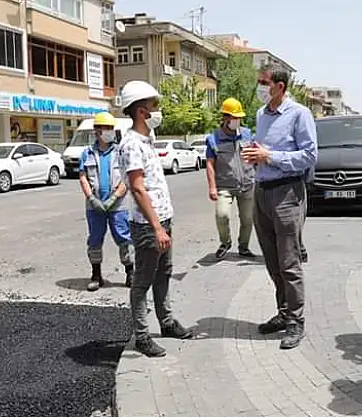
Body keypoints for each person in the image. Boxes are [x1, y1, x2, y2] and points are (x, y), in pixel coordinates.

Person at [241, 63, 317, 350]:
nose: (260, 87)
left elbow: (309, 156)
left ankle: (296, 321)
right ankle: (284, 313)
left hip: (287, 193)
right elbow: (263, 151)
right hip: (262, 191)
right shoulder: (261, 114)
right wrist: (254, 154)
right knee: (272, 261)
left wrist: (270, 156)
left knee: (289, 263)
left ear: (280, 86)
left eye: (264, 82)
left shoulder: (299, 114)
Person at [116, 80, 192, 358]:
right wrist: (157, 228)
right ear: (141, 111)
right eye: (153, 105)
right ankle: (142, 336)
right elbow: (138, 189)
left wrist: (164, 223)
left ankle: (167, 322)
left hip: (162, 220)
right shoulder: (131, 145)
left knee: (164, 273)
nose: (157, 110)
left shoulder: (146, 140)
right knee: (142, 281)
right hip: (149, 226)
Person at [78, 112, 134, 291]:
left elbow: (127, 178)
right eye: (106, 128)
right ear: (97, 130)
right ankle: (96, 275)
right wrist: (91, 198)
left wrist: (114, 198)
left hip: (118, 205)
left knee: (124, 238)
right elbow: (83, 177)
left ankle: (130, 272)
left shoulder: (120, 152)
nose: (109, 131)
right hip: (94, 205)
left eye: (111, 128)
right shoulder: (87, 153)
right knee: (95, 239)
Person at [205, 97, 256, 260]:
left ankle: (244, 247)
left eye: (238, 117)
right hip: (224, 186)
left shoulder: (247, 134)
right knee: (222, 215)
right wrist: (212, 187)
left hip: (247, 184)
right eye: (234, 117)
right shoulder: (214, 139)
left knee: (248, 220)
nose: (237, 121)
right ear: (225, 117)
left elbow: (255, 157)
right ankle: (225, 242)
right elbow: (210, 164)